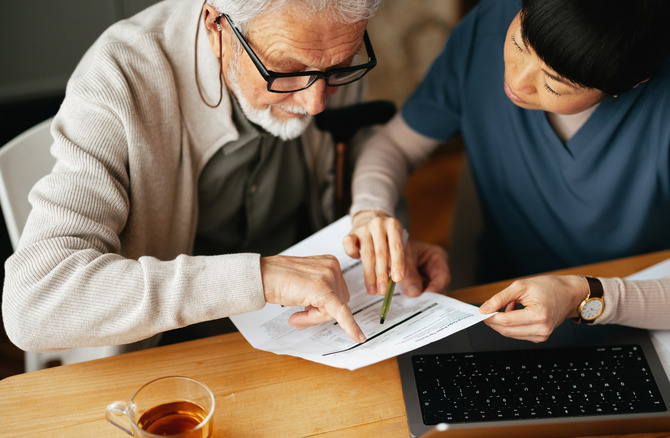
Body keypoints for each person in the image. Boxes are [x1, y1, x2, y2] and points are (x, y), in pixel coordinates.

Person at [1, 0, 451, 356]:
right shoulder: (122, 76)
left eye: (339, 68)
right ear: (217, 28)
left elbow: (359, 146)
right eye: (287, 70)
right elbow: (33, 302)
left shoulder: (324, 50)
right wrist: (260, 277)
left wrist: (373, 228)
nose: (316, 102)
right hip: (170, 353)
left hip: (311, 332)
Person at [346, 0, 670, 342]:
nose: (517, 79)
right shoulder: (491, 21)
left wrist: (581, 296)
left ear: (630, 84)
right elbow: (394, 145)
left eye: (554, 83)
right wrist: (371, 210)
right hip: (501, 302)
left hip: (642, 314)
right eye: (519, 44)